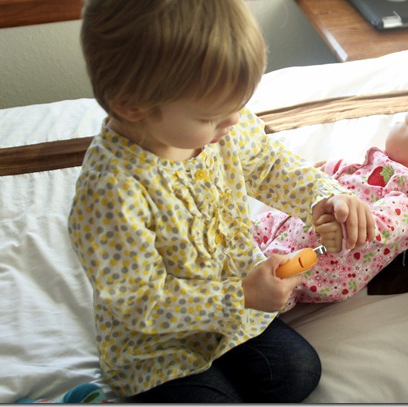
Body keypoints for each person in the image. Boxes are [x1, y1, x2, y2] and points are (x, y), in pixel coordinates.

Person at [67, 0, 376, 403]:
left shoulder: (223, 127)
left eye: (238, 106)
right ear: (132, 106)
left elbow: (266, 164)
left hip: (235, 318)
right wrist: (241, 296)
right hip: (157, 348)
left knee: (298, 373)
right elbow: (140, 302)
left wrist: (324, 197)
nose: (233, 122)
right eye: (210, 116)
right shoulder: (110, 191)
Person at [253, 95, 408, 312]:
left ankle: (246, 310)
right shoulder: (390, 165)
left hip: (323, 258)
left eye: (405, 122)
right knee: (249, 232)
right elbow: (358, 173)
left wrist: (347, 229)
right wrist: (328, 170)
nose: (396, 123)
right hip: (292, 223)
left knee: (275, 284)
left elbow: (384, 224)